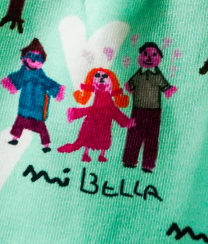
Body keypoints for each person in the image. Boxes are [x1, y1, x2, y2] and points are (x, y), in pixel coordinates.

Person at [122, 42, 177, 172]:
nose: (149, 58)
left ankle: (148, 164)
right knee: (134, 136)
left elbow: (166, 88)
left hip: (154, 112)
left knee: (151, 138)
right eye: (145, 54)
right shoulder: (138, 74)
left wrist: (171, 90)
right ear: (140, 56)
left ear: (160, 58)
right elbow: (128, 86)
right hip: (138, 110)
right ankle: (129, 160)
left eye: (154, 55)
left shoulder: (157, 75)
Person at [58, 67, 134, 162]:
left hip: (103, 121)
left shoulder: (108, 100)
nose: (101, 79)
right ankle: (86, 154)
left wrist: (125, 121)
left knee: (103, 137)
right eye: (97, 76)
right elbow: (112, 111)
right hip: (94, 119)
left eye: (105, 77)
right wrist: (126, 121)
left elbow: (113, 111)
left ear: (112, 83)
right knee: (90, 136)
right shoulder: (99, 97)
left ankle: (100, 155)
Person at [2, 39, 64, 152]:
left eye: (37, 58)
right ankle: (15, 138)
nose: (33, 60)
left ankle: (46, 144)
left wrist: (57, 90)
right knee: (20, 122)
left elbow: (48, 82)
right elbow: (16, 79)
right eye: (31, 56)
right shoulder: (23, 72)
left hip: (37, 106)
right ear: (25, 57)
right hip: (25, 105)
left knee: (40, 125)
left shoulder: (41, 75)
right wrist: (9, 82)